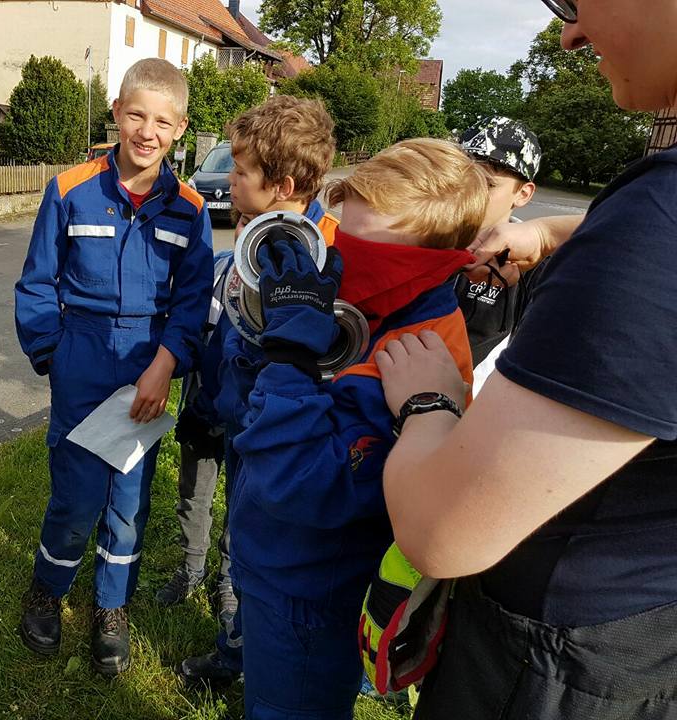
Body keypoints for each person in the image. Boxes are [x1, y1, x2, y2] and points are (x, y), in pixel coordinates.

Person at [374, 1, 677, 718]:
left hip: (548, 664)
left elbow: (442, 532)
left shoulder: (656, 228)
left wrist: (426, 404)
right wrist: (557, 233)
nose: (570, 33)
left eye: (577, 0)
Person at [219, 138, 487, 719]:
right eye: (342, 236)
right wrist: (261, 332)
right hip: (274, 563)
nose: (344, 262)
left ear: (426, 257)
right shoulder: (373, 303)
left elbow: (305, 482)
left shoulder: (418, 352)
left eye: (368, 249)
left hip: (313, 588)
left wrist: (289, 359)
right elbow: (247, 420)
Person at [14, 58, 213, 676]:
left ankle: (111, 607)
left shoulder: (189, 208)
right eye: (135, 115)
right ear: (116, 115)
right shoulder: (70, 188)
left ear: (179, 128)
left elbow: (189, 302)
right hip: (83, 353)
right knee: (75, 495)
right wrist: (53, 355)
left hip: (147, 365)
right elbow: (38, 280)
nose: (146, 132)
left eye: (161, 121)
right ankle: (49, 589)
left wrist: (165, 366)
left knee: (128, 499)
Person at [173, 95, 339, 688]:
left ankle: (240, 658)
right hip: (241, 419)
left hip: (270, 432)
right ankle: (237, 643)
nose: (231, 181)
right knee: (242, 538)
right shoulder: (264, 235)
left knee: (255, 547)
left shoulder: (300, 257)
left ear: (282, 184)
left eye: (241, 172)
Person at [455, 116, 543, 369]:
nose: (466, 192)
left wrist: (545, 234)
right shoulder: (424, 238)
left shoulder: (535, 266)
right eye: (460, 178)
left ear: (523, 194)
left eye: (486, 184)